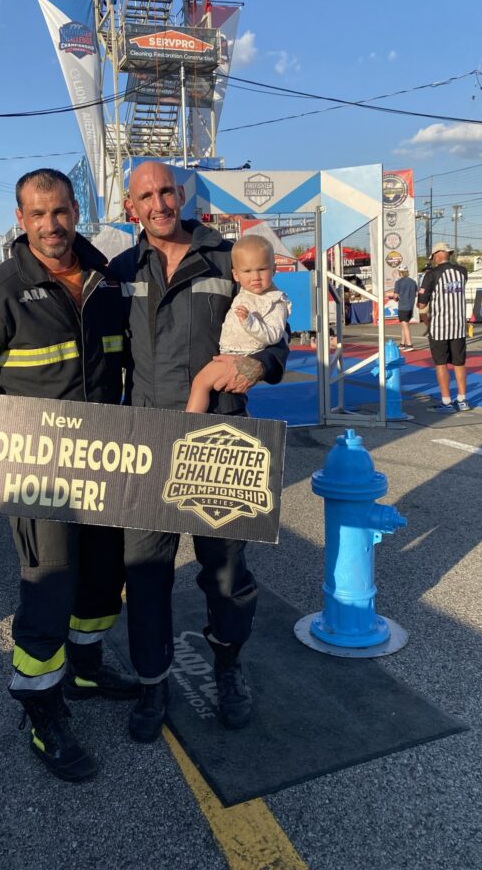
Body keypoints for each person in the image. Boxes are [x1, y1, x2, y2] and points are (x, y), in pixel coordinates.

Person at [0, 168, 136, 782]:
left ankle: (86, 668)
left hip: (106, 467)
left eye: (62, 211)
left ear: (77, 210)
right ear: (21, 220)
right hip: (34, 473)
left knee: (102, 579)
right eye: (38, 214)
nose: (52, 225)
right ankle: (42, 711)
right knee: (49, 589)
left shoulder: (107, 281)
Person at [108, 161, 288, 744]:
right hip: (147, 444)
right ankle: (153, 680)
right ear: (130, 206)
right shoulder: (118, 270)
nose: (158, 203)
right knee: (147, 574)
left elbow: (275, 332)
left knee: (228, 573)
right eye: (145, 196)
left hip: (222, 439)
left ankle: (228, 666)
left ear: (181, 194)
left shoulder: (224, 257)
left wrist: (262, 365)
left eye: (166, 191)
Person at [186, 235, 290, 412]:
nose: (255, 277)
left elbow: (276, 336)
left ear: (274, 269)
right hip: (229, 353)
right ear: (236, 274)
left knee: (201, 383)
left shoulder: (276, 301)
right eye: (248, 271)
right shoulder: (246, 291)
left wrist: (250, 324)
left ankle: (187, 424)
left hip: (238, 356)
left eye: (262, 269)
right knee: (203, 384)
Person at [417, 242, 470, 413]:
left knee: (441, 364)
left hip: (439, 326)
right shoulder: (462, 271)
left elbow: (422, 303)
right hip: (459, 325)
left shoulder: (432, 274)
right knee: (459, 363)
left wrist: (427, 320)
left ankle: (446, 402)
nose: (432, 260)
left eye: (432, 257)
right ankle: (462, 400)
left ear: (438, 254)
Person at [392, 265, 418, 351]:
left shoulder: (398, 282)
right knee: (404, 324)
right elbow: (416, 293)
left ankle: (409, 344)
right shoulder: (413, 282)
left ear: (400, 272)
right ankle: (403, 343)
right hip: (410, 306)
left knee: (405, 325)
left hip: (403, 306)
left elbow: (395, 296)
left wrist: (396, 298)